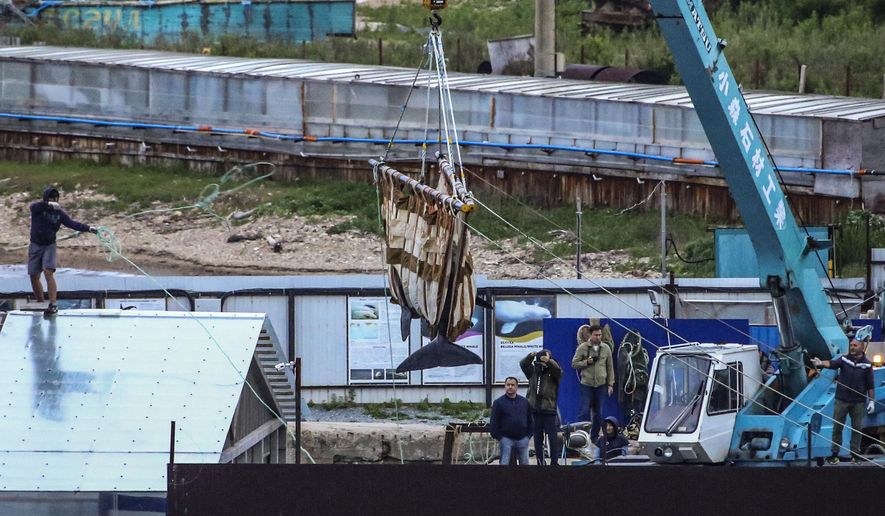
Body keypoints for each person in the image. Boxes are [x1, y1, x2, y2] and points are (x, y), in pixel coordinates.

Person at [29, 186, 97, 315]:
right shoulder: (38, 209)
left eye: (56, 198)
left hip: (49, 245)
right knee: (33, 275)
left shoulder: (59, 213)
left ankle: (53, 303)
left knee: (48, 272)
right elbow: (33, 206)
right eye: (51, 198)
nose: (54, 200)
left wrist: (89, 228)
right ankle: (39, 302)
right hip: (35, 244)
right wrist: (47, 204)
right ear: (46, 199)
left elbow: (72, 224)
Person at [811, 338, 876, 464]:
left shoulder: (867, 365)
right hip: (842, 400)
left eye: (855, 345)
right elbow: (832, 364)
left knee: (857, 428)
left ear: (862, 347)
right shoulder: (844, 359)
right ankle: (834, 454)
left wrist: (872, 401)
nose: (852, 347)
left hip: (858, 402)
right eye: (851, 345)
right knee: (837, 428)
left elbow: (870, 385)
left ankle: (855, 455)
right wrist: (820, 363)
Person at [572, 324, 615, 441]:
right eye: (596, 335)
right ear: (590, 335)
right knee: (584, 411)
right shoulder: (582, 347)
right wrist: (586, 362)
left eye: (600, 335)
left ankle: (594, 436)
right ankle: (582, 437)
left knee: (599, 413)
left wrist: (610, 384)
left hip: (601, 385)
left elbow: (610, 367)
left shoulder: (606, 348)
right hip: (587, 384)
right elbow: (574, 364)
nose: (598, 337)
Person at [520, 349, 562, 465]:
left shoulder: (554, 372)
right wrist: (530, 356)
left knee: (553, 438)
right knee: (537, 439)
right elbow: (523, 364)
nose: (543, 362)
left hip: (549, 410)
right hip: (534, 410)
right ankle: (540, 462)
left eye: (546, 359)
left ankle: (554, 462)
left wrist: (549, 362)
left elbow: (558, 371)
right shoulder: (533, 371)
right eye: (542, 359)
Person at [489, 376, 533, 465]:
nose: (510, 387)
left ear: (517, 387)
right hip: (506, 439)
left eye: (512, 385)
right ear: (504, 386)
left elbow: (530, 420)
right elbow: (494, 422)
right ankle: (503, 479)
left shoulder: (524, 402)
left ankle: (524, 479)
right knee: (504, 465)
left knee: (525, 465)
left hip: (523, 439)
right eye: (508, 385)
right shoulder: (498, 403)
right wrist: (499, 437)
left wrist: (528, 436)